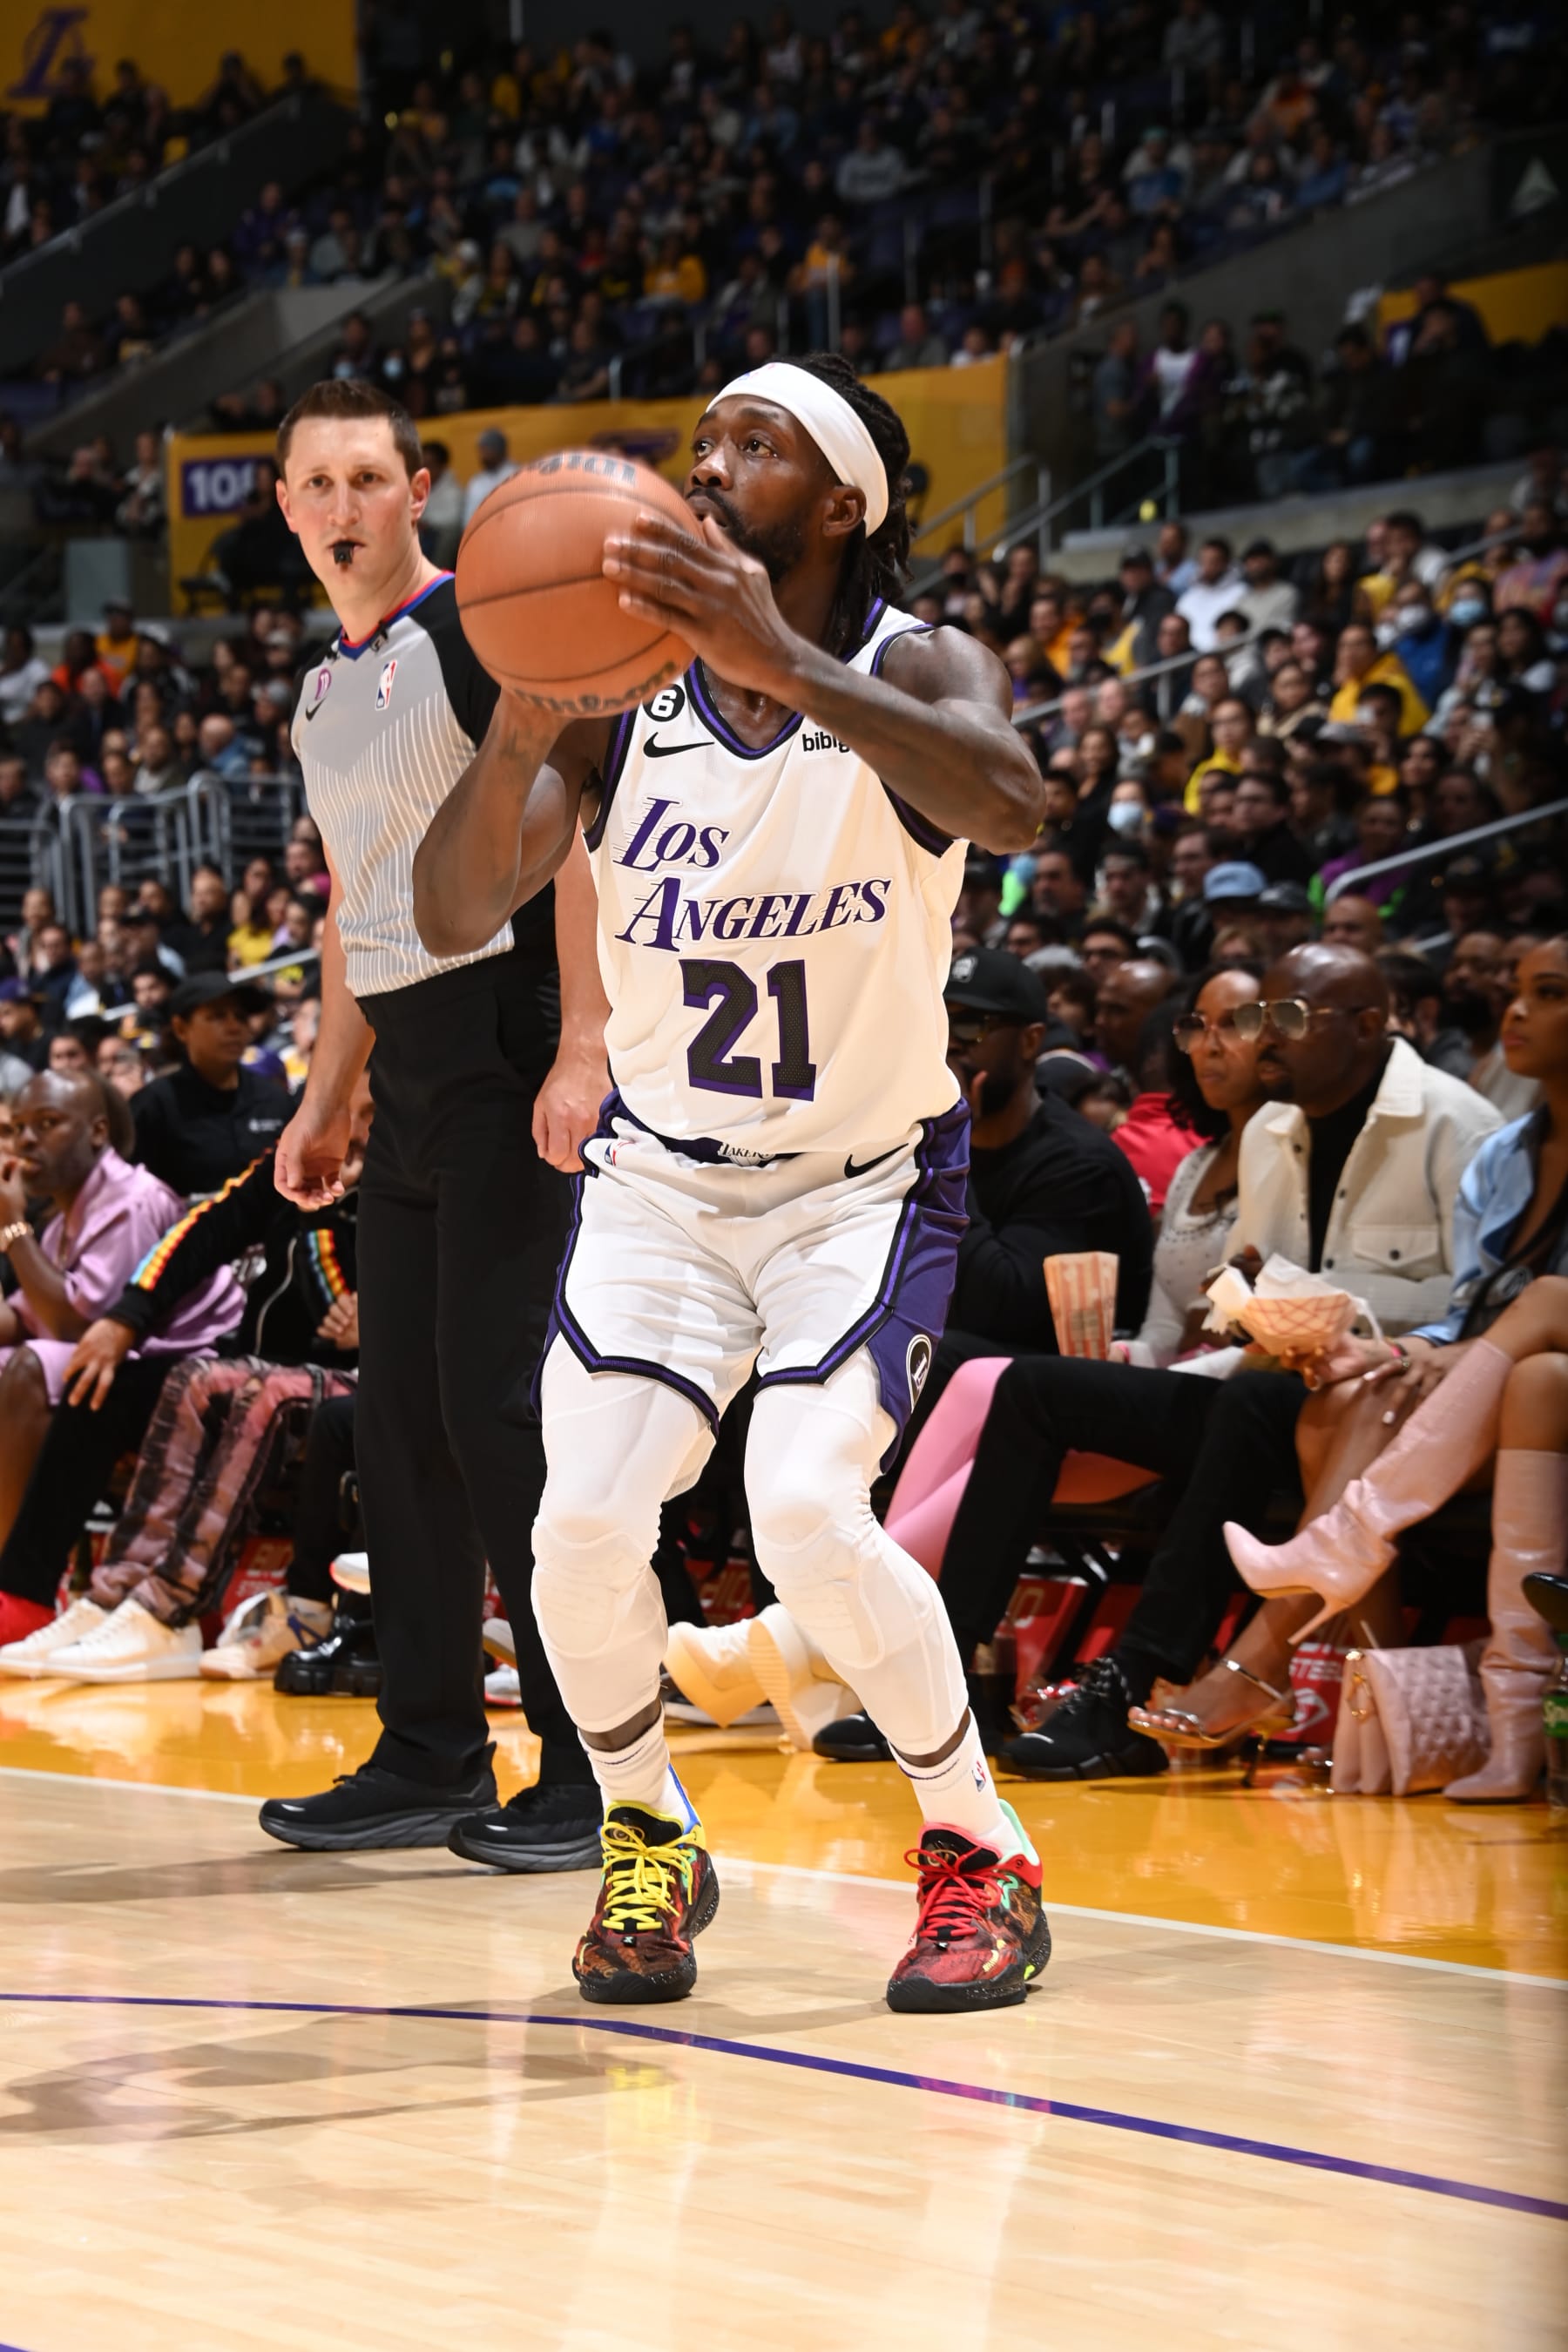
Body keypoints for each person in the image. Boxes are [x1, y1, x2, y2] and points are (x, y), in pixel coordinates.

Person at [413, 353, 1051, 2014]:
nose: (708, 469)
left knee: (806, 1513)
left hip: (861, 1186)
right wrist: (517, 729)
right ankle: (649, 1832)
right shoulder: (625, 704)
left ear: (844, 501)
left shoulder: (919, 662)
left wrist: (780, 659)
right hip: (666, 1191)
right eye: (701, 443)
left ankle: (981, 1850)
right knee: (578, 1533)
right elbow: (450, 905)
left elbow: (1014, 802)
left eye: (752, 447)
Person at [260, 376, 606, 1871]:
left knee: (493, 1415)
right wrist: (326, 1094)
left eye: (366, 479)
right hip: (403, 1073)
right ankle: (428, 1755)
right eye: (315, 485)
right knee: (392, 1426)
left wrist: (584, 1038)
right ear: (285, 509)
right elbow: (351, 912)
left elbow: (577, 825)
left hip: (512, 1039)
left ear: (418, 492)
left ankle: (594, 1769)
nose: (342, 508)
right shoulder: (324, 692)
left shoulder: (485, 627)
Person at [943, 944, 1504, 1780]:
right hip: (1271, 1382)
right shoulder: (1274, 1129)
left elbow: (1479, 1311)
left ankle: (1129, 1685)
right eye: (1255, 1017)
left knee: (1248, 1409)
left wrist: (1333, 1310)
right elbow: (1261, 1288)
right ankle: (940, 1684)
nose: (1260, 1038)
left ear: (1368, 1026)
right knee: (1033, 1386)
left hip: (1379, 1404)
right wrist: (1249, 1297)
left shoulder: (1457, 1126)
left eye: (1285, 1018)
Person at [1222, 936, 1568, 1798]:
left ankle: (1300, 1605)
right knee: (1353, 1386)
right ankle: (1405, 1724)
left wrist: (1440, 1353)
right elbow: (1465, 1311)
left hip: (1540, 1372)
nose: (1518, 1012)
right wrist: (1408, 1350)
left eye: (1550, 993)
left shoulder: (1462, 1126)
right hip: (1504, 1384)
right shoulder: (1509, 1153)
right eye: (1519, 992)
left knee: (1547, 1321)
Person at [0, 1096, 368, 1684]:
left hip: (370, 1374)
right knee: (108, 1381)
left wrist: (377, 1313)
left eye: (370, 1111)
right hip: (258, 1361)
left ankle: (168, 1609)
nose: (356, 1125)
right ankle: (78, 1595)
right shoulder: (300, 1151)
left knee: (240, 1387)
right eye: (349, 1105)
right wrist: (126, 1317)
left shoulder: (414, 1166)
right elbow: (210, 1225)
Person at [0, 1071, 245, 1625]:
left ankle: (17, 1588)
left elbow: (78, 1329)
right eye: (18, 1129)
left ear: (97, 1132)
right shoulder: (66, 1213)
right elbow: (17, 1318)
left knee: (31, 1368)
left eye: (47, 1124)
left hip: (185, 1369)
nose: (27, 1141)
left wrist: (12, 1229)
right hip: (121, 1368)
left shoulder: (132, 1200)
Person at [130, 973, 292, 1195]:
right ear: (181, 1028)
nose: (234, 1027)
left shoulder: (274, 1098)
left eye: (241, 1017)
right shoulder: (153, 1105)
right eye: (217, 1016)